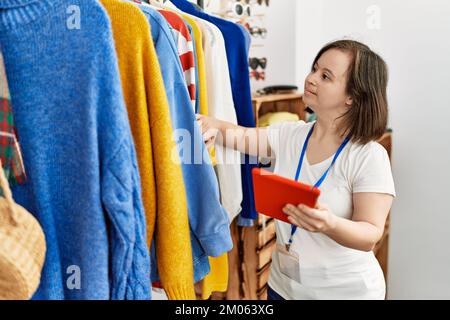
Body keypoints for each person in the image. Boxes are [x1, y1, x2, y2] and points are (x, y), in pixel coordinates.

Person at [196, 39, 396, 300]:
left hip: (345, 293)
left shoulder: (368, 155)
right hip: (283, 287)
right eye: (314, 69)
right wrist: (206, 124)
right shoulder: (291, 135)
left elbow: (370, 233)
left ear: (352, 97)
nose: (311, 79)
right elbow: (238, 136)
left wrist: (329, 224)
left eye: (325, 76)